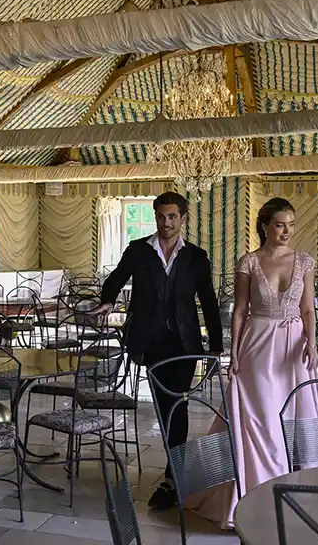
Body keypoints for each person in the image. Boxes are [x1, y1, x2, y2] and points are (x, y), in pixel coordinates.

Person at [184, 197, 318, 529]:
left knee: (300, 417)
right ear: (265, 225)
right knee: (261, 420)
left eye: (291, 224)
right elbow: (239, 310)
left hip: (294, 348)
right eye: (280, 224)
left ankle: (302, 494)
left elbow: (308, 309)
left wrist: (312, 342)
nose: (287, 231)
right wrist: (233, 353)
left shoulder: (304, 261)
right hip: (258, 346)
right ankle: (261, 496)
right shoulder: (249, 261)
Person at [95, 191, 223, 510]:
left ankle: (172, 476)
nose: (166, 223)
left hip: (185, 344)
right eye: (161, 217)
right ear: (156, 217)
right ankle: (175, 472)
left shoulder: (196, 257)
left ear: (183, 218)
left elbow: (208, 303)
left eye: (172, 217)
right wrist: (108, 299)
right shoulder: (139, 250)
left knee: (175, 406)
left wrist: (216, 349)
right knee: (165, 405)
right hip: (150, 343)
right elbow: (115, 279)